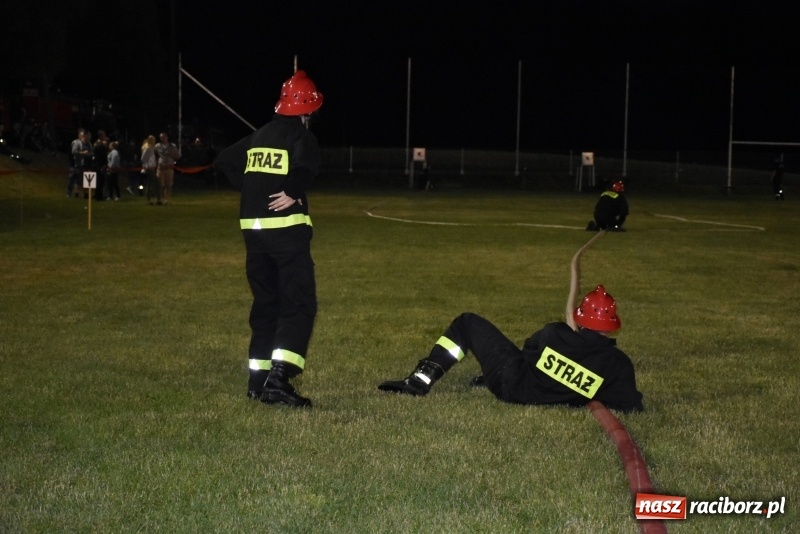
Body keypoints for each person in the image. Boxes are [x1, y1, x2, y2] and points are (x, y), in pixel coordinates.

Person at [214, 70, 324, 408]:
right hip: (286, 236)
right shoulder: (301, 136)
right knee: (299, 304)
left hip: (254, 237)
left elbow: (224, 161)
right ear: (306, 110)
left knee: (266, 305)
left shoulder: (258, 136)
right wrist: (292, 191)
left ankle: (257, 381)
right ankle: (279, 381)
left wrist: (250, 189)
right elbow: (307, 169)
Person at [378, 285, 644, 413]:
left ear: (580, 317)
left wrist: (566, 339)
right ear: (611, 326)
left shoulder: (554, 333)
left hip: (508, 382)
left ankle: (421, 379)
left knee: (467, 322)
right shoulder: (617, 365)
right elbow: (629, 404)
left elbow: (527, 351)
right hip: (537, 394)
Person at [155, 132, 181, 205]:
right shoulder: (157, 146)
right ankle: (159, 199)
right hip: (161, 167)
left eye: (163, 137)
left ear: (167, 137)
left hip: (169, 167)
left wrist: (171, 154)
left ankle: (167, 200)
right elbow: (154, 154)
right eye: (160, 137)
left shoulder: (172, 146)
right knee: (159, 184)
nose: (162, 139)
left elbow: (178, 156)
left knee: (168, 185)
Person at [141, 135, 159, 204]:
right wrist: (147, 166)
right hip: (149, 168)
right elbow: (143, 158)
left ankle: (149, 199)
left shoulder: (151, 148)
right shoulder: (148, 148)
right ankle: (152, 199)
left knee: (150, 184)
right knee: (155, 183)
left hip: (151, 167)